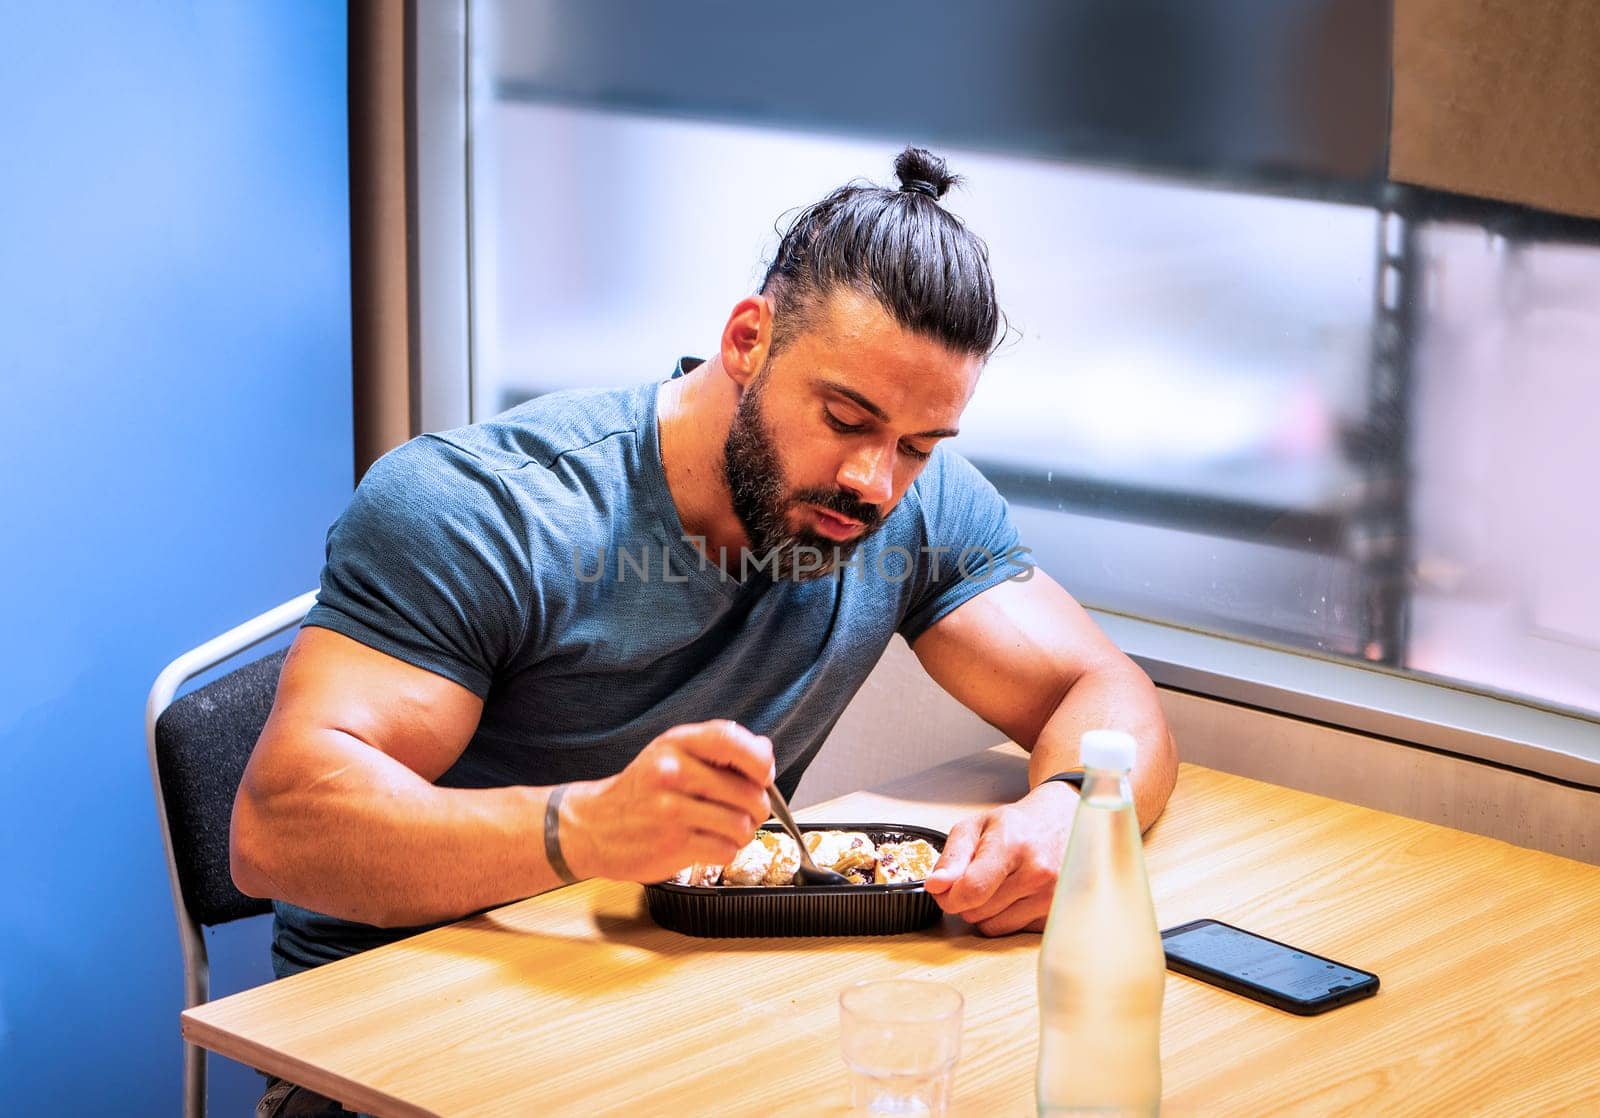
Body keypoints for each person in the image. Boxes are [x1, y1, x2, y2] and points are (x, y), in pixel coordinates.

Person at [232, 144, 1178, 974]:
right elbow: (278, 834)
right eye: (845, 419)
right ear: (746, 341)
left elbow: (1098, 690)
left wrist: (1073, 812)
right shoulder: (486, 509)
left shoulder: (912, 504)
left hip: (663, 992)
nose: (875, 482)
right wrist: (584, 829)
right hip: (396, 1013)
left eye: (919, 443)